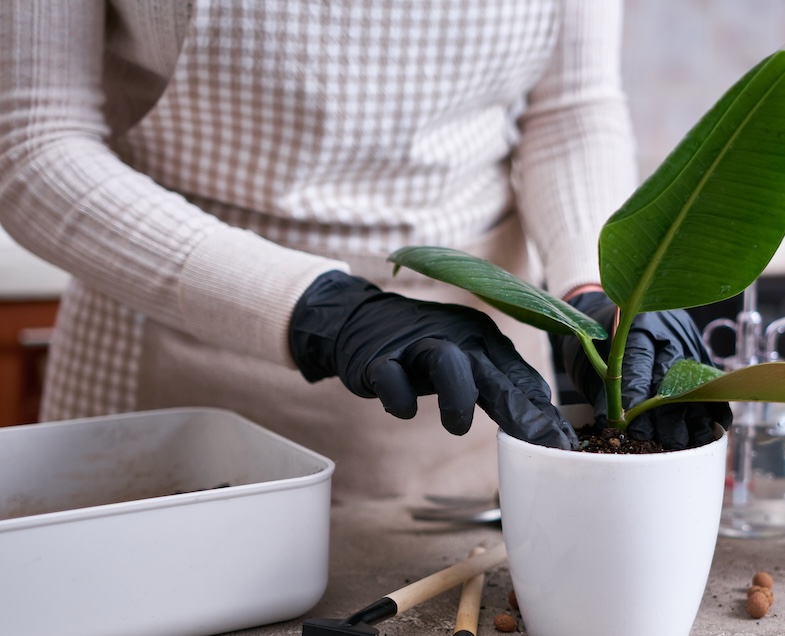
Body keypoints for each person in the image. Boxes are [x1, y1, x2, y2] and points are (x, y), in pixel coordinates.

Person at [0, 1, 726, 501]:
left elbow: (572, 108)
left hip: (474, 391)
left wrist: (597, 288)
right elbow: (31, 143)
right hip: (177, 346)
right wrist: (320, 307)